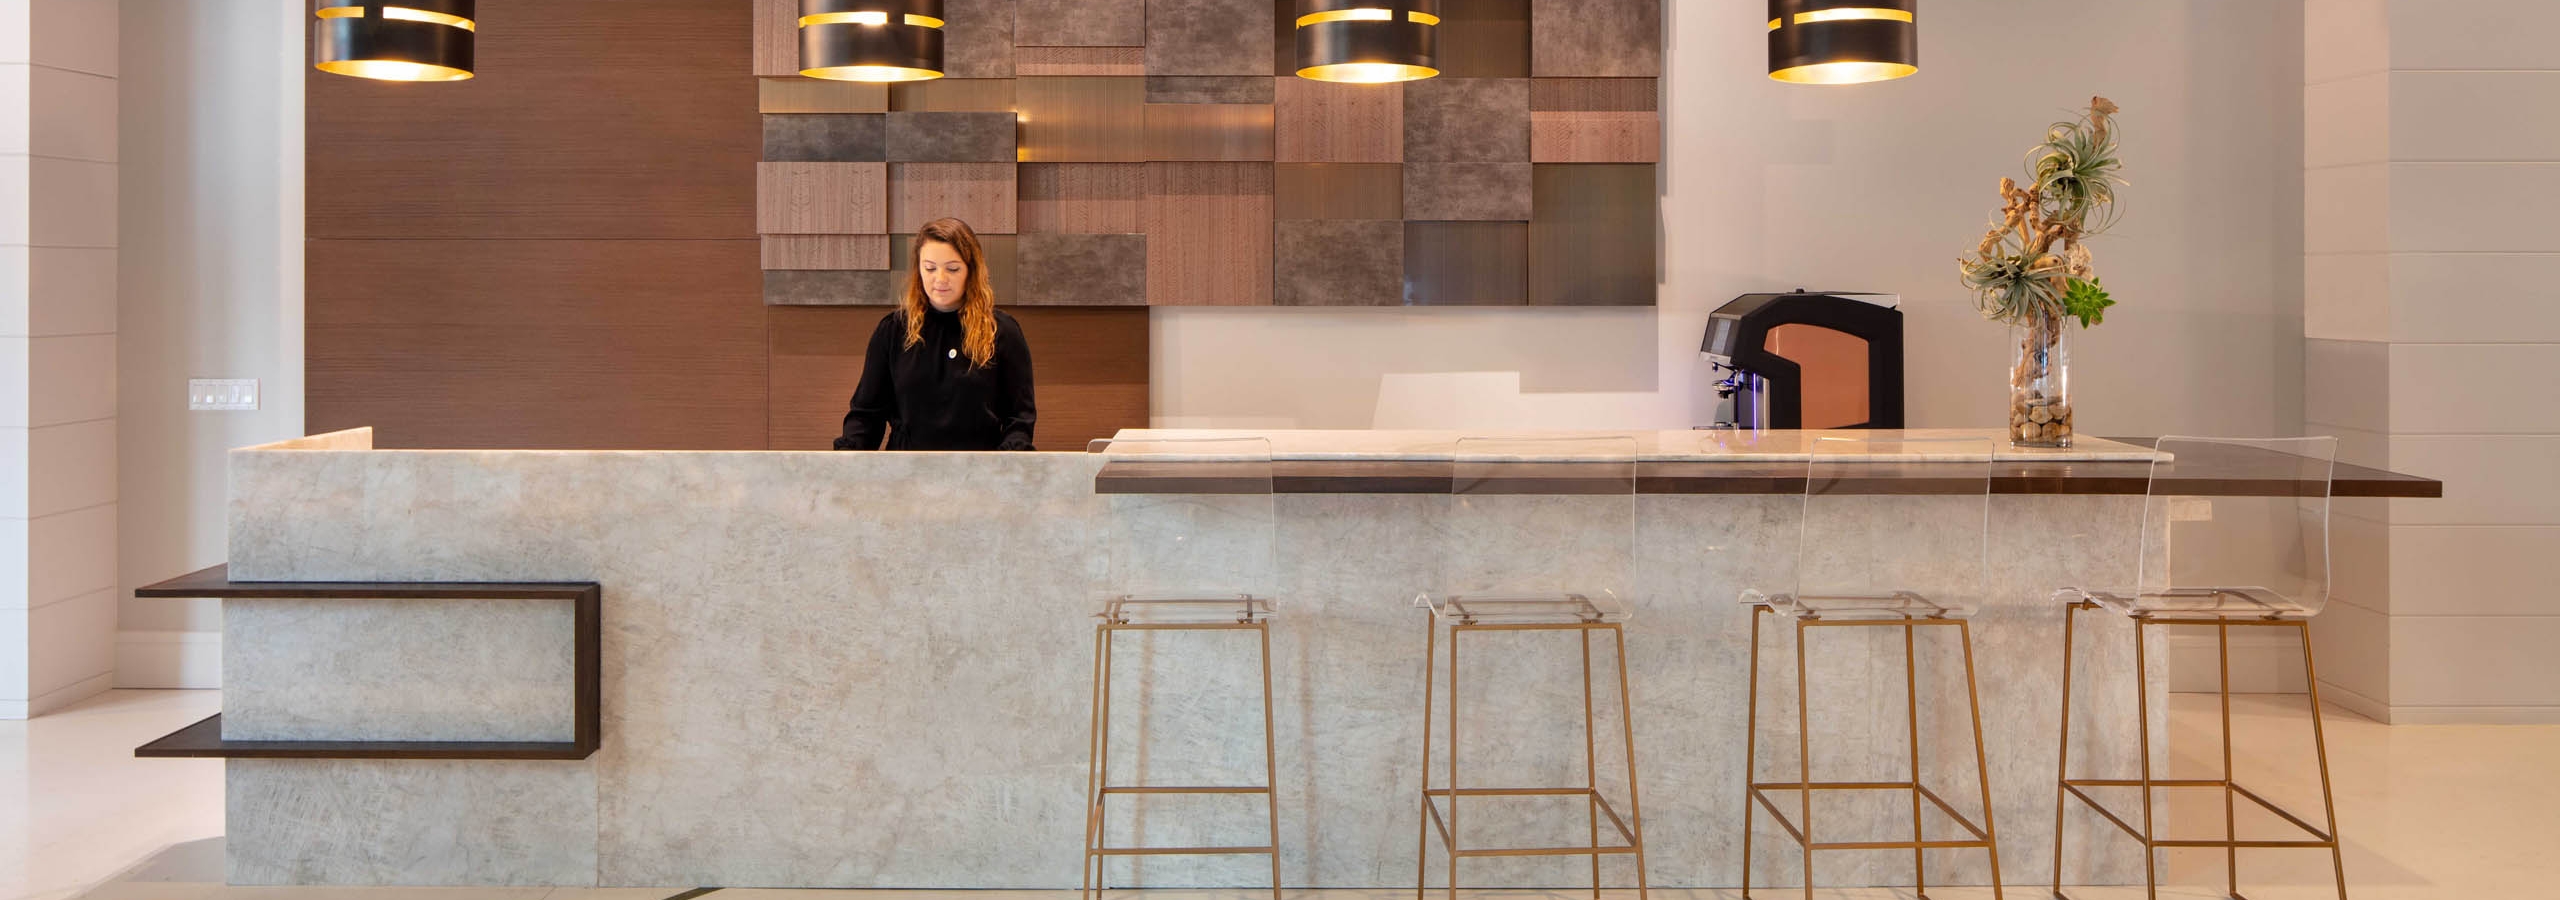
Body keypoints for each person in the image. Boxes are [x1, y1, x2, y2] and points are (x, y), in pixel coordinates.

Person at [833, 217, 1036, 451]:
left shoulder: (1003, 332)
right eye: (930, 268)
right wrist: (846, 462)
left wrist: (1003, 469)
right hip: (906, 473)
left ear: (971, 270)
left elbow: (1019, 419)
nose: (940, 279)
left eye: (952, 269)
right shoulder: (893, 330)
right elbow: (867, 415)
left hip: (979, 475)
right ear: (918, 269)